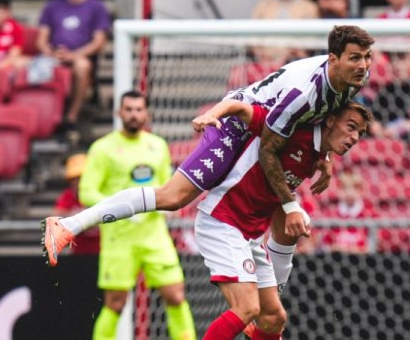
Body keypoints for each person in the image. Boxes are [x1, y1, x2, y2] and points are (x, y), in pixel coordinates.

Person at [46, 25, 376, 295]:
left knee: (279, 201)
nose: (364, 65)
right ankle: (67, 225)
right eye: (356, 58)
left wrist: (325, 158)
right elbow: (269, 151)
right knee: (174, 197)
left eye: (367, 58)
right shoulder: (304, 96)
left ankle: (265, 304)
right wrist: (292, 204)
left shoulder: (347, 81)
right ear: (333, 59)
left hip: (264, 129)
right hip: (239, 127)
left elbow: (322, 123)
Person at [195, 101, 371, 340]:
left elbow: (318, 146)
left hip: (251, 233)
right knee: (247, 308)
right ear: (330, 120)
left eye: (359, 133)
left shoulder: (318, 151)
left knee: (273, 318)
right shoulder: (289, 128)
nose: (354, 137)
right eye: (351, 127)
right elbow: (243, 107)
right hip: (225, 221)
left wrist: (326, 159)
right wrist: (213, 113)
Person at [76, 92, 195, 340]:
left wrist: (162, 206)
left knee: (175, 294)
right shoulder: (102, 148)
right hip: (119, 238)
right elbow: (86, 191)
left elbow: (166, 187)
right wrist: (118, 209)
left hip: (154, 235)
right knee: (115, 303)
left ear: (146, 114)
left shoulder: (157, 145)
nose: (134, 114)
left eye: (139, 109)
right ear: (120, 113)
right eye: (128, 109)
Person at [37, 0, 111, 125]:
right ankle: (41, 118)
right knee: (27, 66)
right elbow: (41, 39)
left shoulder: (96, 6)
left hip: (81, 57)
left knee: (82, 66)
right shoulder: (52, 5)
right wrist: (50, 51)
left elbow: (99, 42)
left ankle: (71, 116)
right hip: (55, 56)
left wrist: (73, 55)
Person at [53, 153, 100, 255]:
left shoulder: (99, 194)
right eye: (75, 179)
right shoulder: (68, 196)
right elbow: (56, 218)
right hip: (78, 254)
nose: (79, 182)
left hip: (102, 252)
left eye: (82, 178)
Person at [321, 169, 377, 254]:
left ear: (361, 190)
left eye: (355, 188)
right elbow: (325, 245)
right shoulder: (332, 214)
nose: (349, 193)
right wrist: (335, 249)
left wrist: (358, 250)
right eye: (344, 188)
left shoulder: (369, 214)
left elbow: (374, 246)